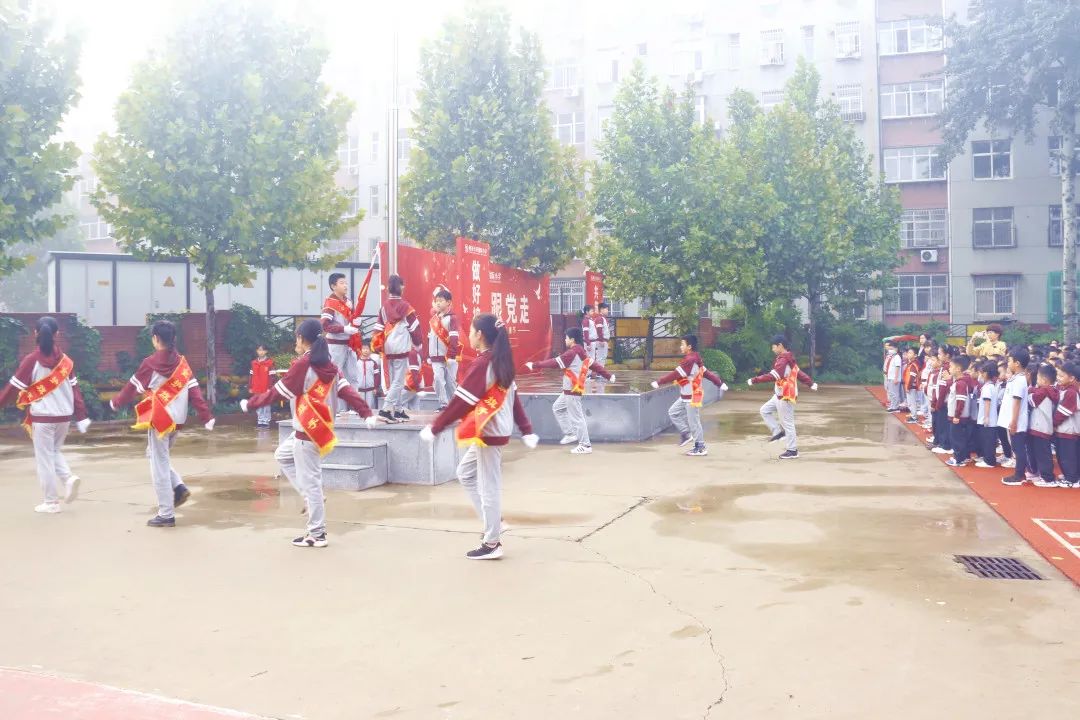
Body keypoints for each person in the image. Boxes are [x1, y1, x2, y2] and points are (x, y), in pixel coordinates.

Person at [240, 319, 377, 548]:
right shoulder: (329, 365)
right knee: (283, 456)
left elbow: (277, 393)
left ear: (302, 339)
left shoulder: (303, 365)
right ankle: (310, 497)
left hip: (306, 433)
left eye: (297, 337)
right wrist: (366, 412)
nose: (296, 341)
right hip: (317, 430)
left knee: (312, 482)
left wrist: (251, 403)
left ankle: (317, 534)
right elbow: (347, 392)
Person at [420, 313, 539, 560]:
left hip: (489, 432)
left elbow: (461, 402)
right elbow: (514, 401)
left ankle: (492, 542)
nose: (469, 335)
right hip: (493, 430)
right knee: (465, 473)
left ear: (480, 335)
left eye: (472, 331)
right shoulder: (500, 361)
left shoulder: (484, 363)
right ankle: (494, 522)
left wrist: (436, 427)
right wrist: (526, 429)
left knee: (489, 486)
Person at [110, 320, 215, 527]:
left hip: (160, 421)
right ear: (174, 338)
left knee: (158, 466)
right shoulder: (182, 364)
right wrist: (206, 416)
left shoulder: (150, 363)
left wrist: (116, 403)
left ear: (156, 339)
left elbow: (132, 388)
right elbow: (195, 392)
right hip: (178, 422)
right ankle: (178, 487)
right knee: (156, 455)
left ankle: (166, 514)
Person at [0, 316, 91, 513]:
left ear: (35, 333)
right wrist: (81, 416)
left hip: (42, 418)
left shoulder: (31, 360)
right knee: (54, 452)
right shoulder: (66, 362)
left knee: (44, 459)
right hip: (64, 417)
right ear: (57, 334)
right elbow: (75, 391)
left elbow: (13, 389)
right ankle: (68, 478)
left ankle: (51, 502)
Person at [524, 326, 614, 455]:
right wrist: (609, 376)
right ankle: (570, 434)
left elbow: (554, 363)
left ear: (572, 339)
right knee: (557, 408)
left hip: (572, 390)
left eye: (566, 338)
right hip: (570, 390)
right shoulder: (581, 351)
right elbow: (594, 365)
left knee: (577, 418)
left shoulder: (571, 353)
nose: (565, 340)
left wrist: (534, 365)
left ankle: (585, 445)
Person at [651, 334, 727, 457]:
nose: (681, 347)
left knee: (694, 422)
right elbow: (707, 373)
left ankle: (700, 447)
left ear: (689, 346)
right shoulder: (693, 359)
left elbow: (675, 374)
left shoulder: (690, 360)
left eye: (682, 344)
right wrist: (719, 383)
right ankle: (686, 434)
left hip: (692, 397)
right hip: (685, 396)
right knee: (673, 412)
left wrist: (659, 382)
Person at [748, 335, 818, 460]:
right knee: (764, 410)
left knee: (788, 423)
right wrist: (810, 383)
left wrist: (754, 380)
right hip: (778, 395)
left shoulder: (784, 359)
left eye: (773, 347)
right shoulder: (787, 358)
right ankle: (778, 432)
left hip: (786, 396)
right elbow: (798, 373)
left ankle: (792, 450)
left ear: (780, 345)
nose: (772, 349)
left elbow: (774, 375)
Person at [373, 274, 423, 422]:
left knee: (394, 380)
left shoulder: (384, 307)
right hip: (401, 346)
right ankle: (386, 409)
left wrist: (377, 345)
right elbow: (414, 328)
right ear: (401, 287)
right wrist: (418, 344)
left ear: (388, 288)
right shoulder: (406, 307)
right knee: (398, 381)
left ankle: (399, 410)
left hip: (388, 346)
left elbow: (378, 328)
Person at [321, 273, 362, 397]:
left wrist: (357, 322)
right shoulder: (330, 303)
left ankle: (355, 404)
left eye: (346, 283)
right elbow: (325, 325)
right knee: (334, 377)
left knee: (353, 377)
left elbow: (353, 321)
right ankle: (333, 405)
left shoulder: (348, 302)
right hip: (335, 346)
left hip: (350, 344)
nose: (345, 285)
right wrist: (343, 329)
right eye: (342, 283)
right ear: (333, 286)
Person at [1000, 348, 1032, 486]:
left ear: (1017, 363)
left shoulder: (1019, 380)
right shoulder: (1015, 378)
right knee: (1016, 447)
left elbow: (1017, 402)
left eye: (1009, 361)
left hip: (1017, 421)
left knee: (1018, 449)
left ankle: (1019, 475)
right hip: (1012, 420)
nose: (1008, 363)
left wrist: (1013, 422)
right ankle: (1019, 473)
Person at [1026, 364, 1060, 488]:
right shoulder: (1050, 390)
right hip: (1043, 427)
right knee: (1041, 452)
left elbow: (1031, 400)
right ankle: (1042, 474)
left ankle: (1048, 478)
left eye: (1039, 378)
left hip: (1040, 427)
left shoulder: (1044, 391)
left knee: (1043, 454)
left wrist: (1029, 390)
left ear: (1044, 380)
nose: (1037, 380)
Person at [428, 285, 461, 411]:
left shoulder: (452, 318)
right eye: (436, 301)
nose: (438, 303)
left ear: (448, 302)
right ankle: (443, 405)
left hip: (449, 357)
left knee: (451, 382)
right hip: (435, 356)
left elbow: (454, 337)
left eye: (441, 301)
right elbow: (430, 337)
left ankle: (454, 406)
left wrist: (452, 355)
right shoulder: (434, 319)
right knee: (438, 379)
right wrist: (428, 355)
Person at [945, 355, 977, 468]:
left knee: (956, 439)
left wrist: (957, 415)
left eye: (951, 366)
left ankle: (959, 459)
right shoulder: (960, 382)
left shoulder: (961, 383)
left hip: (958, 417)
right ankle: (963, 457)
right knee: (959, 437)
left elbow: (960, 400)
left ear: (958, 369)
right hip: (958, 416)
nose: (949, 369)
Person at [1053, 361, 1080, 488]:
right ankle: (1071, 476)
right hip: (1064, 430)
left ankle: (1072, 479)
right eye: (1058, 375)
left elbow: (1063, 412)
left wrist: (1053, 424)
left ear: (1071, 378)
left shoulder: (1071, 392)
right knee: (1064, 454)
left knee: (1068, 456)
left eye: (1061, 376)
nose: (1058, 378)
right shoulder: (1064, 389)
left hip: (1069, 430)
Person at [973, 361, 1000, 468]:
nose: (981, 375)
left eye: (982, 373)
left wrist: (986, 417)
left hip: (988, 420)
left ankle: (989, 461)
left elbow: (987, 402)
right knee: (987, 440)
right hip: (990, 419)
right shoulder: (991, 386)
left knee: (988, 441)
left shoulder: (988, 387)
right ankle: (987, 458)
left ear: (987, 373)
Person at [249, 344, 275, 428]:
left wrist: (270, 388)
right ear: (257, 351)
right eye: (259, 350)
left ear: (266, 351)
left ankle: (266, 421)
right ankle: (260, 421)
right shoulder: (253, 363)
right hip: (256, 388)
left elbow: (272, 377)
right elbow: (251, 376)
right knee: (258, 404)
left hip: (266, 388)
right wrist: (250, 387)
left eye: (263, 350)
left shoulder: (270, 363)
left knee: (266, 404)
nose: (261, 352)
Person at [357, 340, 380, 411]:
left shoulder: (373, 363)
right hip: (359, 389)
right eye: (363, 349)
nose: (365, 350)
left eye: (367, 349)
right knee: (360, 408)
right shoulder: (356, 362)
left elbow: (377, 376)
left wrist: (375, 387)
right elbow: (353, 376)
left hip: (370, 389)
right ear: (360, 350)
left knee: (370, 408)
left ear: (370, 350)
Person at [902, 347, 921, 423]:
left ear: (915, 355)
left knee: (912, 402)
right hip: (909, 386)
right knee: (910, 402)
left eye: (910, 353)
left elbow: (912, 377)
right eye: (908, 353)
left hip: (911, 386)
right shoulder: (910, 363)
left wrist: (908, 387)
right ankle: (913, 415)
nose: (908, 354)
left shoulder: (913, 364)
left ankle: (914, 417)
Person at [883, 341, 902, 412]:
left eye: (891, 349)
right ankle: (892, 405)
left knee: (894, 393)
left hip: (894, 378)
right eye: (889, 349)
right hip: (889, 376)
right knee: (891, 392)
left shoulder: (897, 357)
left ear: (896, 349)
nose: (890, 350)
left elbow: (897, 367)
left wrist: (896, 378)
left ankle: (895, 407)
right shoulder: (891, 357)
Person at [593, 302, 612, 369]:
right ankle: (599, 372)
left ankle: (600, 372)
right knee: (600, 358)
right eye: (606, 309)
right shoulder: (600, 318)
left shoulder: (602, 318)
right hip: (601, 341)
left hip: (603, 341)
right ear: (601, 309)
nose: (607, 311)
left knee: (602, 358)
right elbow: (599, 330)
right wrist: (601, 340)